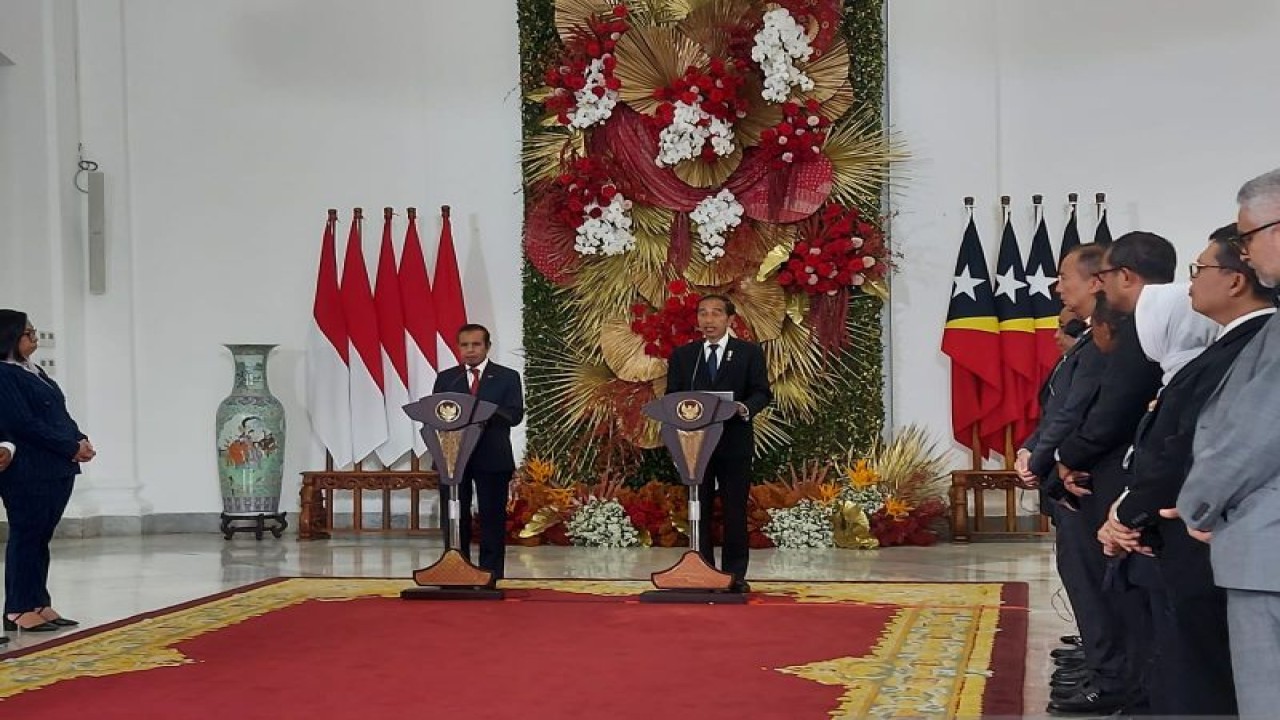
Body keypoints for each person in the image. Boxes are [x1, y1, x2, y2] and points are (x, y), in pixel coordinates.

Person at [1100, 226, 1273, 716]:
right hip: (1187, 526)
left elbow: (1198, 445)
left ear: (1236, 280)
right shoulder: (1227, 346)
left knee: (1200, 678)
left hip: (1202, 531)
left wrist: (1129, 511)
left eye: (1200, 270)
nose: (1190, 282)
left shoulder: (1251, 345)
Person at [1049, 232, 1177, 715]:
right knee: (1099, 583)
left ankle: (1120, 677)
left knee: (1118, 588)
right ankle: (1112, 667)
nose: (1061, 287)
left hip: (1110, 477)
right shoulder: (1122, 329)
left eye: (1072, 277)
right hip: (1098, 475)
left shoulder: (1134, 333)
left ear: (1121, 276)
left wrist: (1065, 459)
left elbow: (1109, 412)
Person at [1176, 167, 1280, 720]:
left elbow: (1255, 432)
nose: (1246, 253)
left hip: (1269, 547)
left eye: (1247, 237)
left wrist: (1200, 501)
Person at [665, 294, 771, 593]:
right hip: (694, 445)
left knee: (734, 510)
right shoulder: (685, 357)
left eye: (715, 314)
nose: (708, 320)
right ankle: (703, 570)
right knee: (700, 508)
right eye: (702, 314)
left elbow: (762, 392)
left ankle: (734, 575)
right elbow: (672, 397)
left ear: (729, 319)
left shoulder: (748, 353)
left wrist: (743, 408)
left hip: (733, 442)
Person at [0, 310, 93, 633]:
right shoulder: (4, 374)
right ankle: (17, 607)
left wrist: (79, 438)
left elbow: (58, 413)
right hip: (28, 468)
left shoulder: (34, 371)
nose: (35, 338)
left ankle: (38, 601)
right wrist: (68, 447)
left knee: (41, 537)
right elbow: (23, 424)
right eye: (28, 333)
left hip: (56, 466)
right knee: (26, 536)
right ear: (9, 337)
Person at [432, 324, 523, 587]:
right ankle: (455, 570)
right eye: (464, 345)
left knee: (491, 517)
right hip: (454, 458)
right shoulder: (448, 378)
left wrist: (481, 409)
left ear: (487, 347)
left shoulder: (507, 377)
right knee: (454, 515)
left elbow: (514, 415)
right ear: (458, 348)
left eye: (476, 345)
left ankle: (490, 574)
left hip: (492, 458)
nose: (470, 350)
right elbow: (437, 413)